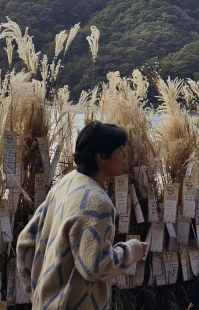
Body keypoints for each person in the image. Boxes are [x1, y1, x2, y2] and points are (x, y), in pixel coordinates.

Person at [17, 121, 148, 310]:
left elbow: (25, 241)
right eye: (120, 150)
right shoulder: (97, 202)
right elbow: (97, 267)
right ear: (101, 156)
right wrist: (132, 251)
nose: (125, 155)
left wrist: (38, 294)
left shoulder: (67, 182)